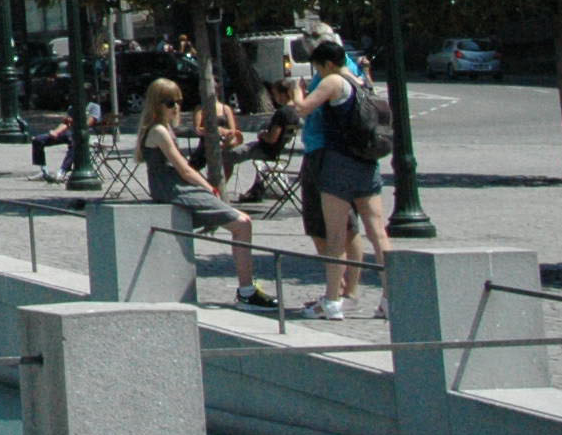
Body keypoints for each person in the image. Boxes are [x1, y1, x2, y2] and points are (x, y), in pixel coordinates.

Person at [137, 78, 274, 308]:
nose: (176, 107)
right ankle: (247, 291)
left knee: (243, 224)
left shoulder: (165, 128)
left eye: (179, 102)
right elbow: (184, 169)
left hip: (176, 187)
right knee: (242, 223)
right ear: (156, 104)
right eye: (170, 103)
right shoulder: (159, 130)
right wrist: (209, 188)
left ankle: (248, 288)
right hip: (174, 190)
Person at [296, 40, 392, 319]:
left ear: (327, 64)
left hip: (338, 163)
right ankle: (390, 297)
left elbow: (303, 109)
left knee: (336, 236)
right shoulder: (360, 79)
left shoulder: (333, 81)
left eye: (318, 67)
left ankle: (332, 301)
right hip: (366, 162)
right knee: (378, 232)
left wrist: (296, 92)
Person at [235, 78, 303, 202]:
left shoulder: (282, 113)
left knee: (228, 155)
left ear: (282, 95)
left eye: (275, 95)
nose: (274, 98)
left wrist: (262, 135)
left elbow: (272, 138)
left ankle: (217, 189)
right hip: (276, 150)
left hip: (266, 150)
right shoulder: (294, 112)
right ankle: (256, 190)